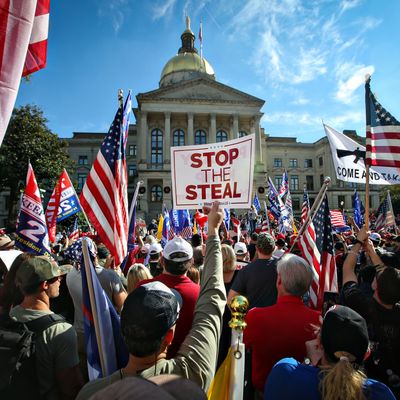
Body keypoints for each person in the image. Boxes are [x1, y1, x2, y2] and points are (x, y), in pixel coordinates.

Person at [76, 202, 226, 400]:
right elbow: (213, 299)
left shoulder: (91, 393)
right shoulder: (191, 376)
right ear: (169, 337)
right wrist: (213, 232)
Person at [264, 305, 396, 400]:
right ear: (366, 355)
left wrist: (309, 362)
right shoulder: (380, 394)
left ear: (319, 342)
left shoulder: (285, 372)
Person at [244, 253, 320, 394]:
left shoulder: (255, 317)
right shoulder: (318, 321)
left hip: (264, 392)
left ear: (279, 281)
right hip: (305, 392)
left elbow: (244, 346)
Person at [10, 256, 83, 400]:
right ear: (44, 285)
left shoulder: (10, 316)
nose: (60, 280)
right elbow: (70, 388)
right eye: (57, 277)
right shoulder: (61, 331)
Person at [342, 227, 400, 397]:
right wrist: (372, 251)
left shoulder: (360, 303)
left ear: (374, 285)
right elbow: (388, 278)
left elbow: (347, 268)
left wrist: (358, 243)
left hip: (366, 383)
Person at [138, 236, 200, 358]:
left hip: (149, 366)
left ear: (162, 260)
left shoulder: (142, 288)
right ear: (192, 262)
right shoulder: (199, 293)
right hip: (186, 365)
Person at [227, 233, 278, 308]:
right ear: (273, 248)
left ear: (256, 248)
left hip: (251, 316)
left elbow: (230, 300)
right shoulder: (283, 268)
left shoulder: (246, 270)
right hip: (275, 316)